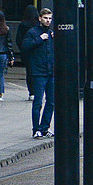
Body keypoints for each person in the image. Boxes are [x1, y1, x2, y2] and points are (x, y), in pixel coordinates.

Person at [22, 8, 55, 139]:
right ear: (40, 18)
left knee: (51, 102)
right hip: (38, 73)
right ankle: (36, 129)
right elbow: (25, 47)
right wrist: (40, 39)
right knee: (38, 102)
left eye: (50, 18)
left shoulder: (52, 33)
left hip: (50, 72)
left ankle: (45, 128)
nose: (48, 21)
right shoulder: (33, 32)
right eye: (46, 18)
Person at [16, 4, 39, 101]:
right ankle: (38, 91)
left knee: (29, 72)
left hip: (27, 53)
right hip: (37, 53)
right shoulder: (38, 25)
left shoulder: (22, 25)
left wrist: (23, 49)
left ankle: (31, 92)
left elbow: (18, 40)